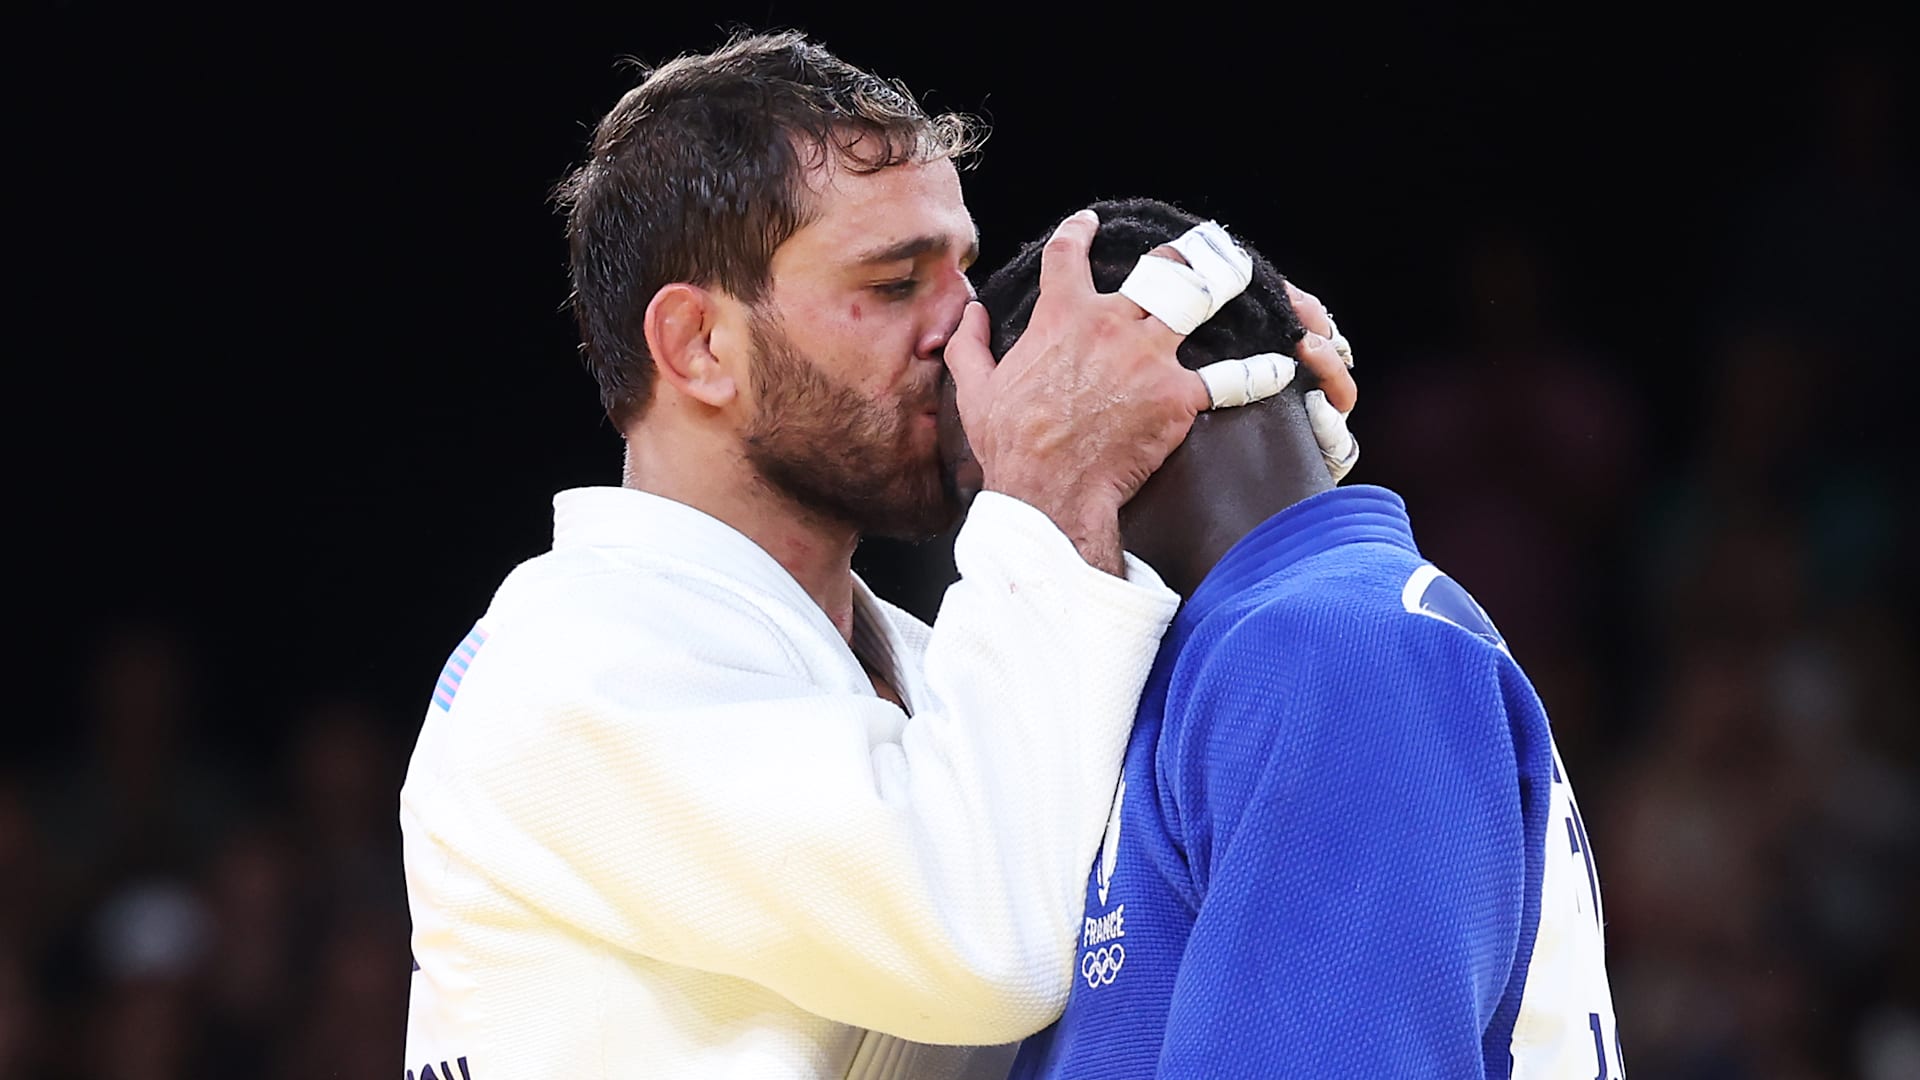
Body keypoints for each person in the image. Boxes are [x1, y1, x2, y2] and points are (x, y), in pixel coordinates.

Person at [397, 34, 1358, 1080]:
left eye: (960, 272)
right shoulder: (568, 667)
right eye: (897, 282)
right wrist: (1054, 483)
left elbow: (1147, 933)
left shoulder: (930, 664)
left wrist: (1233, 439)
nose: (965, 327)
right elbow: (988, 944)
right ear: (699, 347)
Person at [969, 199, 1621, 1078]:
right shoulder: (1260, 649)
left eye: (1011, 437)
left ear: (1145, 374)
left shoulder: (1334, 649)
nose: (997, 492)